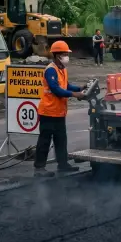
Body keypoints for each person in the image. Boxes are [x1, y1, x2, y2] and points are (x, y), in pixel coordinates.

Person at [35, 41, 84, 177]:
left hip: (59, 112)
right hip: (48, 112)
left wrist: (79, 88)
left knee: (61, 140)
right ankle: (39, 169)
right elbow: (56, 89)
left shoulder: (62, 69)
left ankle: (63, 165)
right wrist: (74, 94)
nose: (66, 56)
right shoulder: (51, 70)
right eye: (64, 54)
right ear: (56, 56)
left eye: (66, 54)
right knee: (45, 140)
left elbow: (66, 85)